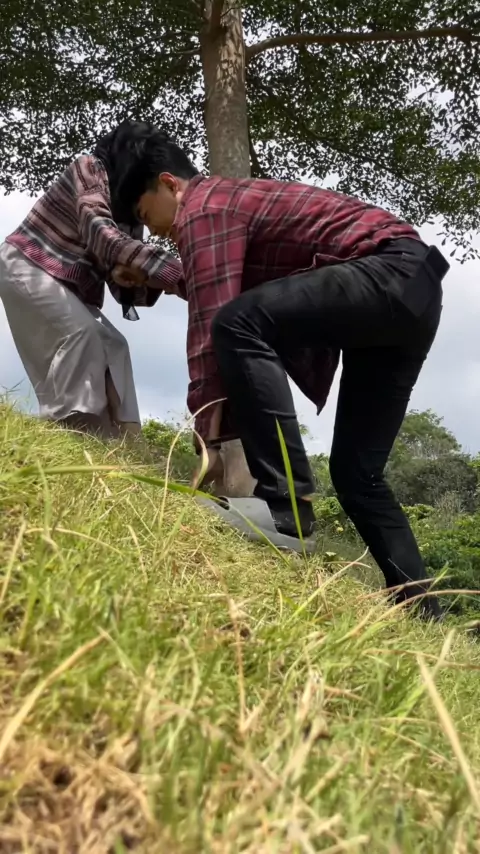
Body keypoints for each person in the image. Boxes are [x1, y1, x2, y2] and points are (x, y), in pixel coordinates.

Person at [116, 127, 448, 620]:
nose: (157, 233)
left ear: (169, 184)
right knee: (357, 474)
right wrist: (153, 275)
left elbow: (214, 316)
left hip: (387, 269)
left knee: (236, 323)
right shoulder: (227, 208)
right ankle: (422, 608)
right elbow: (215, 279)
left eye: (147, 217)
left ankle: (283, 509)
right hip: (418, 288)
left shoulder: (203, 207)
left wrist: (209, 433)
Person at [0, 120, 184, 438]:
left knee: (116, 346)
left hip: (66, 287)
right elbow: (100, 234)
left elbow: (123, 281)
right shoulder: (89, 169)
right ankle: (72, 431)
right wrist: (179, 273)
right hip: (27, 263)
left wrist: (138, 278)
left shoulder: (129, 213)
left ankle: (127, 442)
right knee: (81, 335)